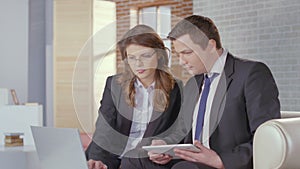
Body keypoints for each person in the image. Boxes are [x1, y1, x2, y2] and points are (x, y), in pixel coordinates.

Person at [148, 15, 281, 169]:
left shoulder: (251, 73)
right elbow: (183, 129)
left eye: (187, 53)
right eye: (178, 54)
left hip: (228, 164)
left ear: (211, 45)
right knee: (137, 160)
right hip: (190, 163)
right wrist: (164, 145)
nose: (181, 61)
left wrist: (220, 160)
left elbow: (266, 138)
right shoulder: (193, 83)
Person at [85, 24, 182, 169]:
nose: (138, 64)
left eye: (146, 56)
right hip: (110, 155)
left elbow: (177, 131)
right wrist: (97, 158)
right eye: (132, 57)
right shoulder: (114, 84)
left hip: (146, 159)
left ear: (160, 55)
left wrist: (164, 146)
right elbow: (104, 127)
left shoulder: (175, 88)